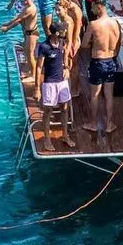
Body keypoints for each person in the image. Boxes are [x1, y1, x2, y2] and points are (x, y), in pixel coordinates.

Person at [82, 0, 123, 138]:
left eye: (93, 6)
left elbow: (84, 44)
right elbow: (119, 43)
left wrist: (94, 43)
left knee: (95, 94)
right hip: (111, 60)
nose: (91, 9)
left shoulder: (93, 24)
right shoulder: (115, 23)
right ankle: (109, 124)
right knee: (109, 94)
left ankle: (93, 123)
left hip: (98, 61)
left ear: (99, 7)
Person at [34, 20, 76, 149]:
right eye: (63, 30)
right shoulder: (44, 47)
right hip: (50, 83)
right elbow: (39, 67)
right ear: (57, 33)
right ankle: (47, 139)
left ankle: (65, 135)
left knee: (65, 109)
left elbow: (65, 57)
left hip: (62, 81)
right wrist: (37, 88)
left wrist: (66, 67)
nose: (65, 31)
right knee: (48, 111)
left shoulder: (62, 42)